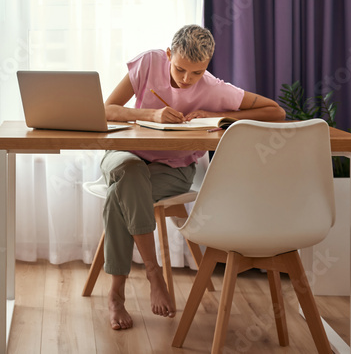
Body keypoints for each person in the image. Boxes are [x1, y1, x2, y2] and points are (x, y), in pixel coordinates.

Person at [101, 25, 284, 331]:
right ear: (169, 55)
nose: (187, 80)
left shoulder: (213, 88)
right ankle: (153, 273)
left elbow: (275, 111)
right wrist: (151, 115)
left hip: (174, 170)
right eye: (180, 69)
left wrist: (223, 118)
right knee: (129, 174)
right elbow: (106, 110)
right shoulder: (148, 62)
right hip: (124, 157)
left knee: (120, 195)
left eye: (197, 73)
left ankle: (116, 296)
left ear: (207, 67)